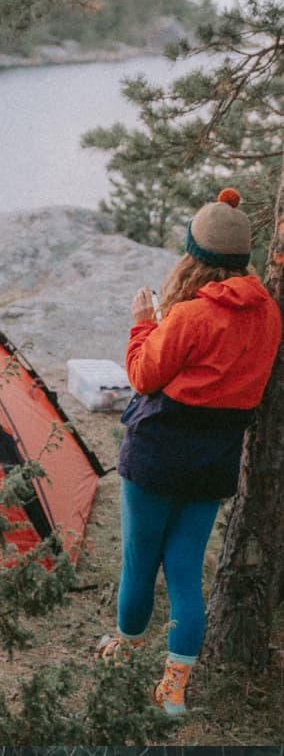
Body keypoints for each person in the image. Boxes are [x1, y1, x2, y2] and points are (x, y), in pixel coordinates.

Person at [98, 188, 281, 715]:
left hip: (157, 455)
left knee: (139, 563)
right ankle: (173, 689)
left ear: (194, 257)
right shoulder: (269, 313)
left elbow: (141, 375)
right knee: (183, 568)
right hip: (214, 460)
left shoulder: (189, 316)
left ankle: (126, 650)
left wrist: (142, 323)